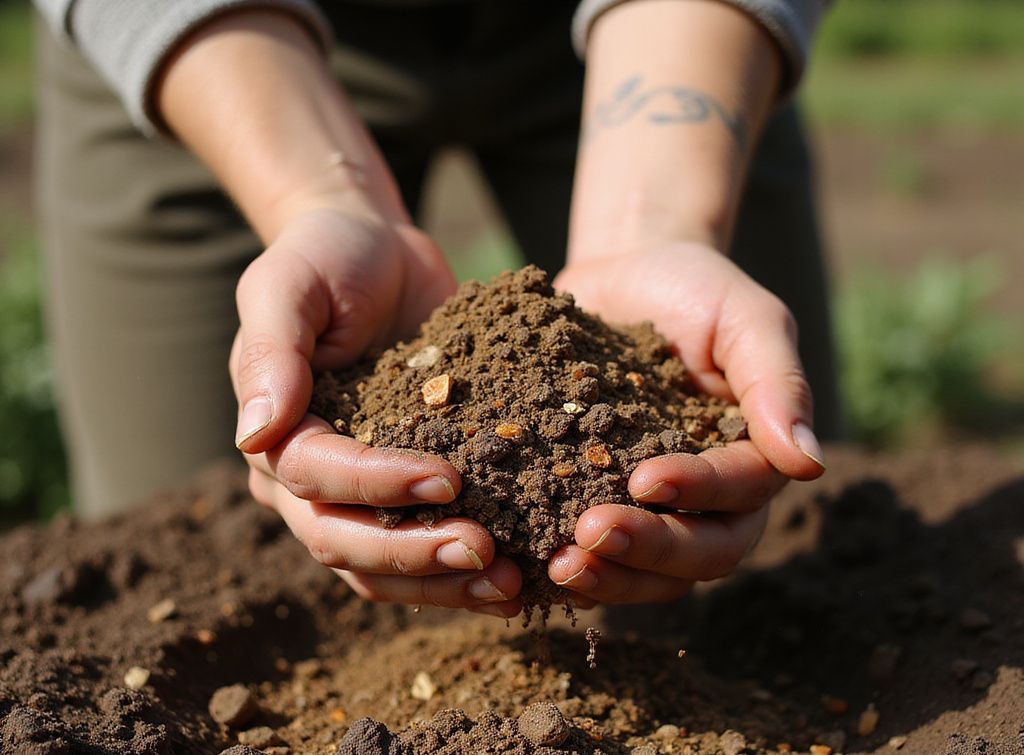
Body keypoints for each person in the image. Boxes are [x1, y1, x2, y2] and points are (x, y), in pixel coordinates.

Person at [34, 0, 838, 620]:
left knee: (779, 547)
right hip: (215, 43)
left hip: (661, 33)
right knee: (187, 557)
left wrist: (655, 223)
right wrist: (314, 197)